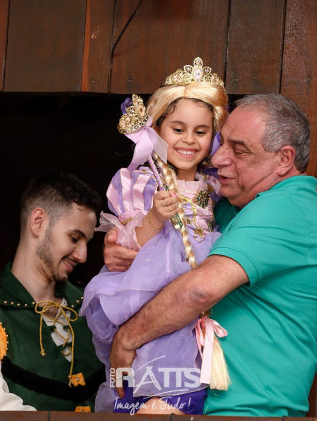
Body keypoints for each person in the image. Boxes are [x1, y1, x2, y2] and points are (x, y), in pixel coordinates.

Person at [108, 94, 317, 417]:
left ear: (284, 159)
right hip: (204, 404)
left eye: (239, 150)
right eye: (221, 142)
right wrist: (127, 244)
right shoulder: (235, 203)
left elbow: (200, 290)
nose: (218, 158)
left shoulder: (285, 207)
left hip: (249, 412)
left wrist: (127, 338)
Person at [80, 57, 229, 415]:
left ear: (213, 135)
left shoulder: (216, 184)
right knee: (150, 346)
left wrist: (314, 187)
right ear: (158, 128)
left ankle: (176, 401)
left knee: (188, 352)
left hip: (196, 291)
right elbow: (128, 246)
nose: (189, 140)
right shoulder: (143, 181)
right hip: (152, 285)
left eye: (200, 131)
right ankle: (141, 400)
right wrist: (153, 219)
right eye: (178, 129)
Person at [0, 172, 105, 411]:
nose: (83, 256)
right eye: (74, 238)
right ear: (38, 222)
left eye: (86, 243)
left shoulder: (93, 303)